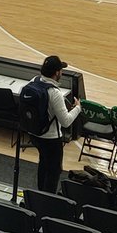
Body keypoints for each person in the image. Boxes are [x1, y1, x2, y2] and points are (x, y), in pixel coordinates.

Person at [26, 55, 82, 194]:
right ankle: (48, 199)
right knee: (54, 170)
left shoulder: (34, 81)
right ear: (57, 73)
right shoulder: (54, 93)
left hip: (34, 133)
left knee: (43, 163)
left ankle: (40, 193)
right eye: (60, 70)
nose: (61, 72)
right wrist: (78, 108)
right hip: (50, 139)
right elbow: (66, 121)